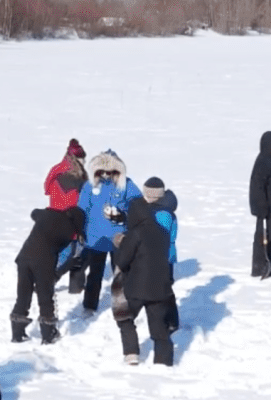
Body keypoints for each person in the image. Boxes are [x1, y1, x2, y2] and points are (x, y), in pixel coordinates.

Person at [111, 197, 177, 365]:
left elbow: (123, 260)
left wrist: (121, 245)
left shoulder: (136, 233)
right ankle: (164, 362)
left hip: (137, 288)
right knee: (159, 328)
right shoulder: (162, 232)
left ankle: (131, 352)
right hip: (160, 288)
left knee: (124, 318)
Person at [75, 149, 140, 314]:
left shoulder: (127, 185)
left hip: (119, 237)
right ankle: (89, 306)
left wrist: (124, 216)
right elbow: (82, 209)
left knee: (121, 273)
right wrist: (79, 230)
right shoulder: (90, 186)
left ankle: (124, 304)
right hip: (96, 238)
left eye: (109, 171)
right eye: (101, 171)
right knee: (94, 274)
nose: (105, 175)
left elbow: (138, 206)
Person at [11, 205, 85, 343]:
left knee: (23, 293)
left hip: (24, 257)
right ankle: (48, 333)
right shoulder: (69, 230)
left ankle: (17, 332)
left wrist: (48, 212)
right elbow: (66, 255)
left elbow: (34, 213)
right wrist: (57, 274)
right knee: (45, 296)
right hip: (43, 262)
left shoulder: (44, 215)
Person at [44, 139, 89, 290]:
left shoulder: (56, 170)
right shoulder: (79, 177)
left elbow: (47, 189)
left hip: (53, 216)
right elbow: (81, 201)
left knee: (56, 252)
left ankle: (47, 278)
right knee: (72, 253)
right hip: (70, 220)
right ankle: (52, 281)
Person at [140, 177, 181, 332]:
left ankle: (170, 321)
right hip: (159, 257)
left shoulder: (163, 214)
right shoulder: (156, 209)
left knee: (164, 291)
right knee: (162, 290)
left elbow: (160, 237)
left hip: (162, 258)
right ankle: (168, 320)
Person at [250, 130, 271, 278]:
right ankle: (260, 266)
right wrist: (261, 208)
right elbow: (257, 188)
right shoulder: (263, 162)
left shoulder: (270, 161)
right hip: (263, 209)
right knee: (262, 237)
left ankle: (270, 262)